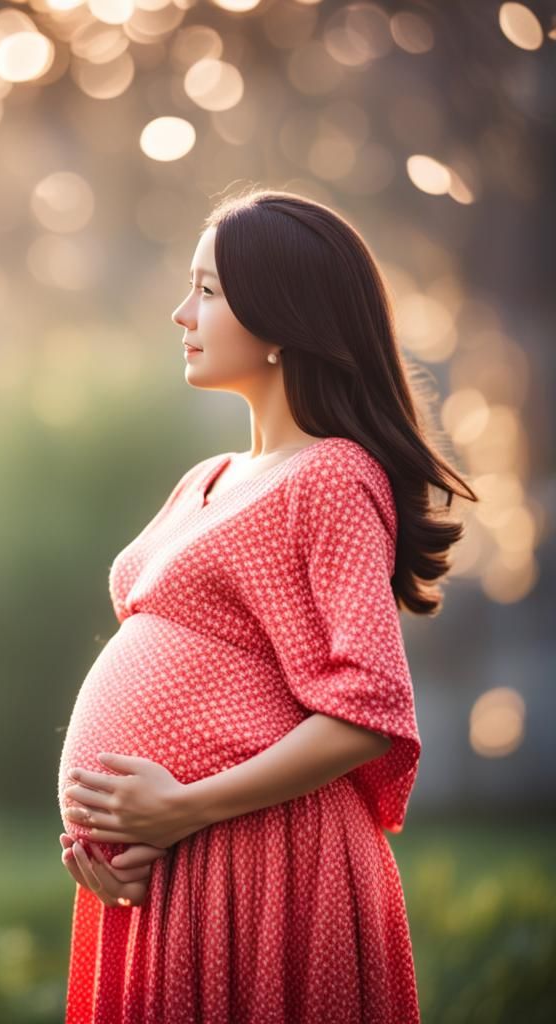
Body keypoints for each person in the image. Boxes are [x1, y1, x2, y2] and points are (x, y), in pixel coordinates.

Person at [55, 187, 477, 1023]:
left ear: (283, 318)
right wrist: (105, 843)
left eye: (208, 291)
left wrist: (181, 807)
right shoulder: (201, 481)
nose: (182, 313)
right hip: (170, 877)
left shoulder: (332, 476)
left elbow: (369, 711)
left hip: (264, 866)